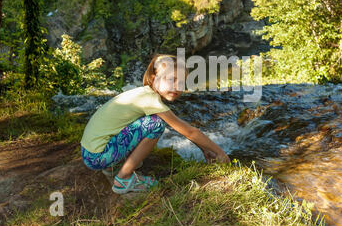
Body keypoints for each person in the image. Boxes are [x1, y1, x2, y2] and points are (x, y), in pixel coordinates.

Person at [80, 54, 230, 194]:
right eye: (171, 79)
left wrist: (203, 149)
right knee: (155, 124)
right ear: (153, 78)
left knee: (147, 122)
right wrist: (220, 153)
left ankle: (119, 164)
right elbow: (190, 132)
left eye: (182, 82)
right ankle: (123, 179)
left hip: (90, 151)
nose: (177, 86)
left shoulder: (143, 93)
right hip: (97, 156)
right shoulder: (150, 100)